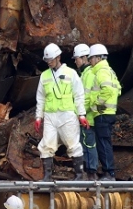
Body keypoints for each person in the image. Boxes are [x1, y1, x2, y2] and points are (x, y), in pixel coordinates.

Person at [34, 43, 89, 181]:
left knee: (73, 144)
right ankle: (47, 176)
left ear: (58, 57)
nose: (49, 63)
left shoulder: (71, 73)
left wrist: (81, 114)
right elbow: (41, 97)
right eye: (47, 60)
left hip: (67, 115)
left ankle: (79, 175)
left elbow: (79, 95)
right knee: (47, 144)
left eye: (51, 60)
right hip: (50, 115)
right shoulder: (45, 76)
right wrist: (38, 117)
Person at [88, 44, 122, 181]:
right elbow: (118, 89)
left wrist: (96, 103)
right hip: (109, 112)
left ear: (97, 58)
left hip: (102, 113)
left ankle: (109, 173)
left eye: (91, 58)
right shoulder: (110, 71)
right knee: (105, 142)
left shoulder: (101, 71)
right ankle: (109, 172)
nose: (90, 61)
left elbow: (108, 90)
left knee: (103, 143)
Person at [73, 44, 99, 180]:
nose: (75, 62)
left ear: (84, 58)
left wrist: (80, 113)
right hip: (86, 117)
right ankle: (87, 172)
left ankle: (91, 174)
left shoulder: (88, 75)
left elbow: (87, 98)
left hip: (88, 118)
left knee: (89, 145)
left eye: (76, 58)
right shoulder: (84, 74)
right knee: (85, 145)